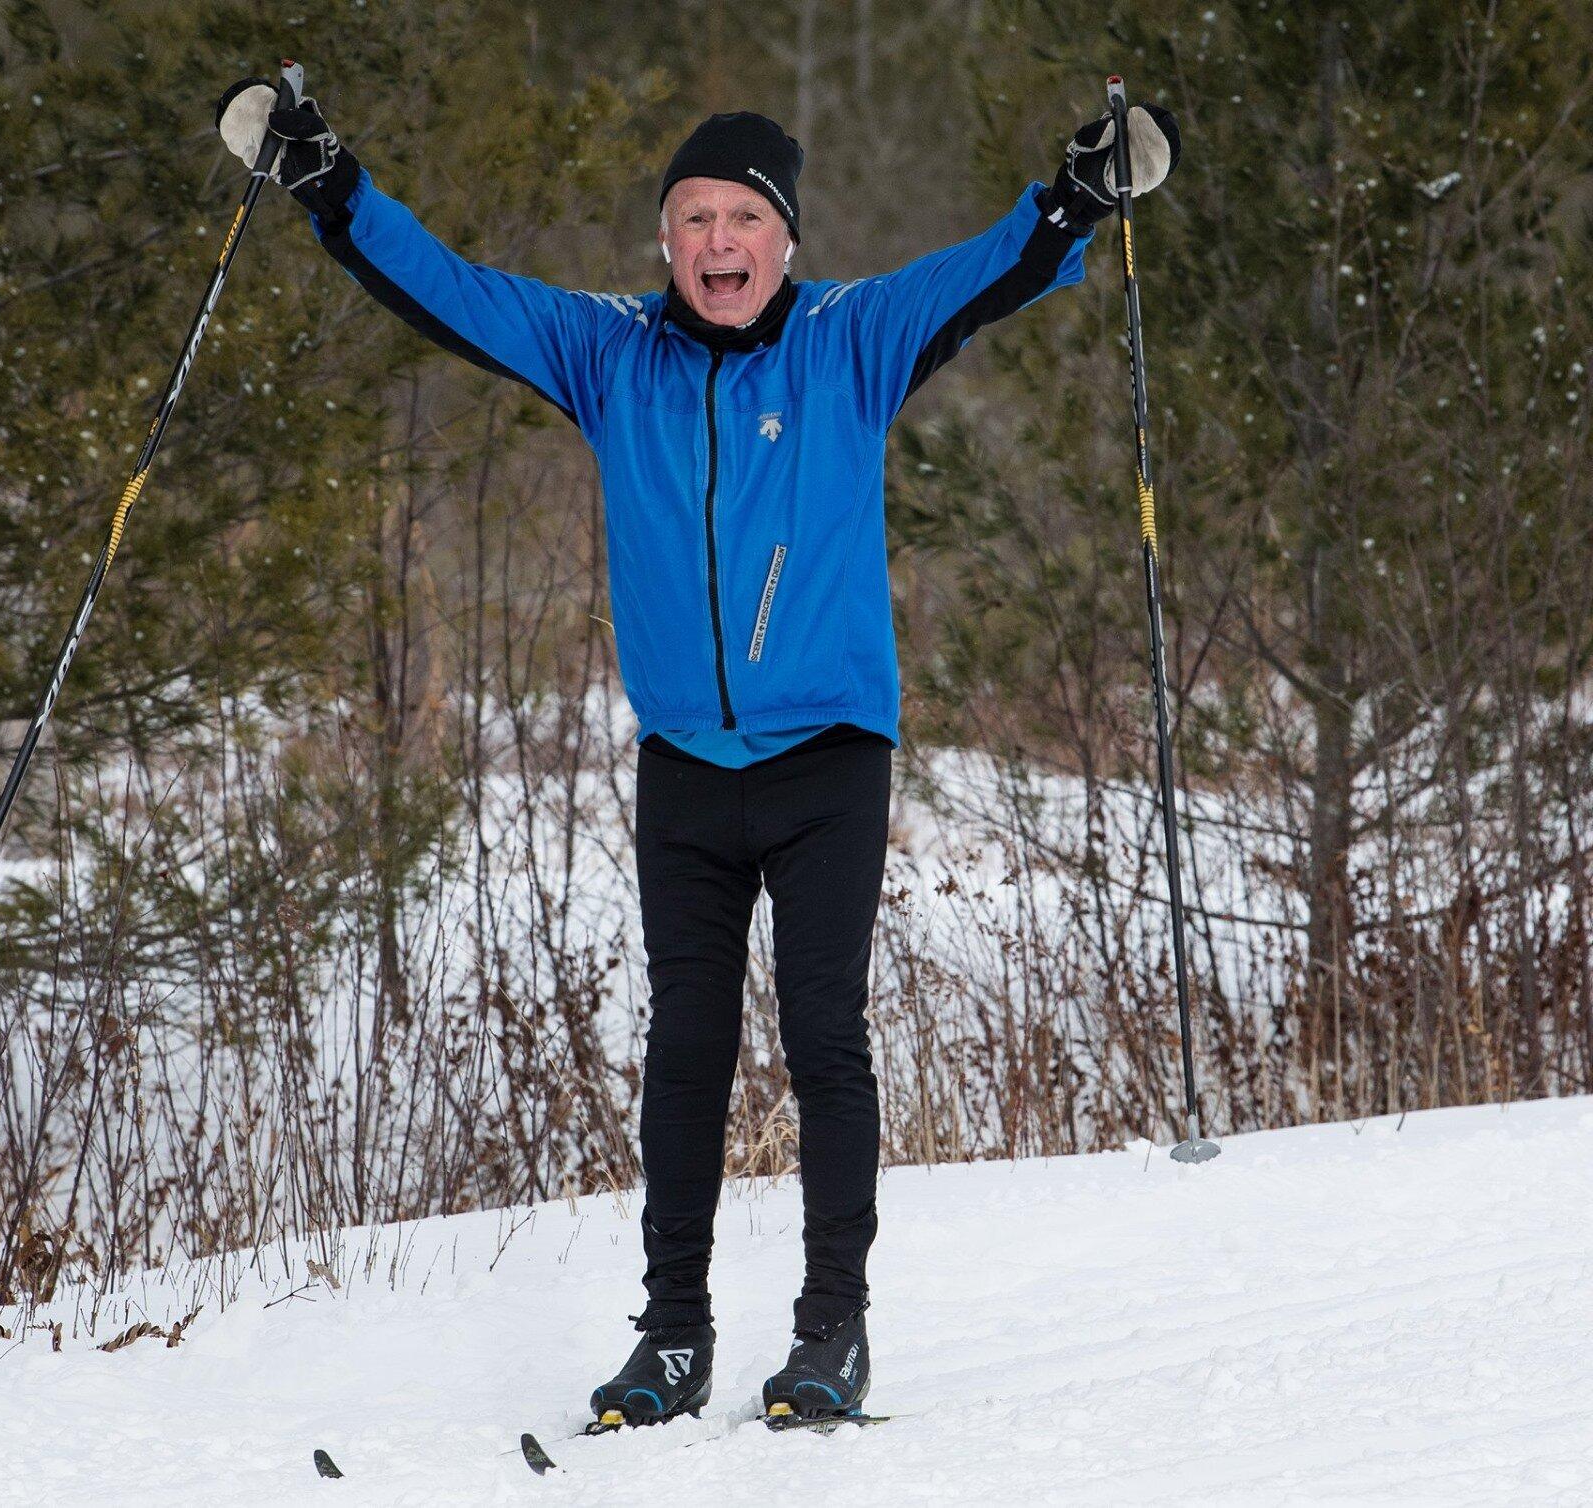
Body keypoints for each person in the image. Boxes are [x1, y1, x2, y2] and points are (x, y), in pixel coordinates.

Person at [216, 76, 1179, 1426]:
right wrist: (333, 188)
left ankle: (830, 1335)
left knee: (824, 1040)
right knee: (688, 1047)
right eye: (691, 218)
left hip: (828, 756)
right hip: (685, 770)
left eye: (742, 217)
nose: (718, 242)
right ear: (664, 242)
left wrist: (1074, 196)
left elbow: (994, 271)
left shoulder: (853, 341)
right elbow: (452, 290)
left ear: (786, 240)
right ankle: (674, 1336)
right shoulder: (610, 356)